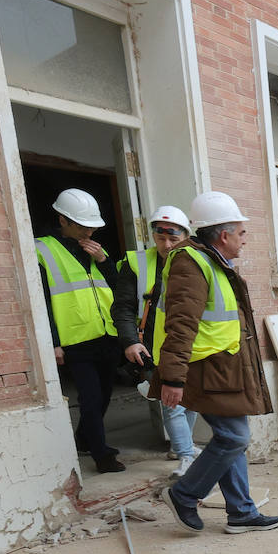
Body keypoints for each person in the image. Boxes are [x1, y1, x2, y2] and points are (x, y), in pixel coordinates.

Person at [156, 191, 278, 535]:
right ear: (223, 236)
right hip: (205, 368)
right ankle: (184, 494)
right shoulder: (190, 262)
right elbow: (181, 324)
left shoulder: (212, 261)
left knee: (232, 439)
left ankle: (241, 511)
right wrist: (173, 379)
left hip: (224, 368)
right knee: (234, 438)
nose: (245, 239)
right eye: (241, 232)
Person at [35, 188, 124, 473]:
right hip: (75, 340)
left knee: (105, 395)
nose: (89, 232)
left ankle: (85, 440)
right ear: (63, 220)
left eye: (92, 226)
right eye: (83, 226)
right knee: (91, 398)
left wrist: (103, 261)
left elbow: (118, 287)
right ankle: (102, 456)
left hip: (106, 335)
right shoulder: (42, 250)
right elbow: (43, 302)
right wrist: (54, 343)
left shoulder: (97, 251)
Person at [115, 205, 200, 479]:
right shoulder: (136, 263)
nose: (166, 245)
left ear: (186, 235)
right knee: (171, 401)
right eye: (160, 238)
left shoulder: (197, 261)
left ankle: (181, 447)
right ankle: (186, 455)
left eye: (173, 239)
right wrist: (130, 341)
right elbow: (123, 308)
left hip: (189, 343)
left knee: (190, 398)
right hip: (153, 346)